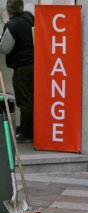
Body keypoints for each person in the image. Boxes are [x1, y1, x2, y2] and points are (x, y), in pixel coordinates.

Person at [0, 0, 34, 143]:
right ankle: (31, 129)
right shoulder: (29, 18)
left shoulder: (12, 25)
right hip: (36, 64)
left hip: (22, 68)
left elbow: (4, 48)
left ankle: (26, 134)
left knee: (24, 100)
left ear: (8, 10)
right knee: (33, 98)